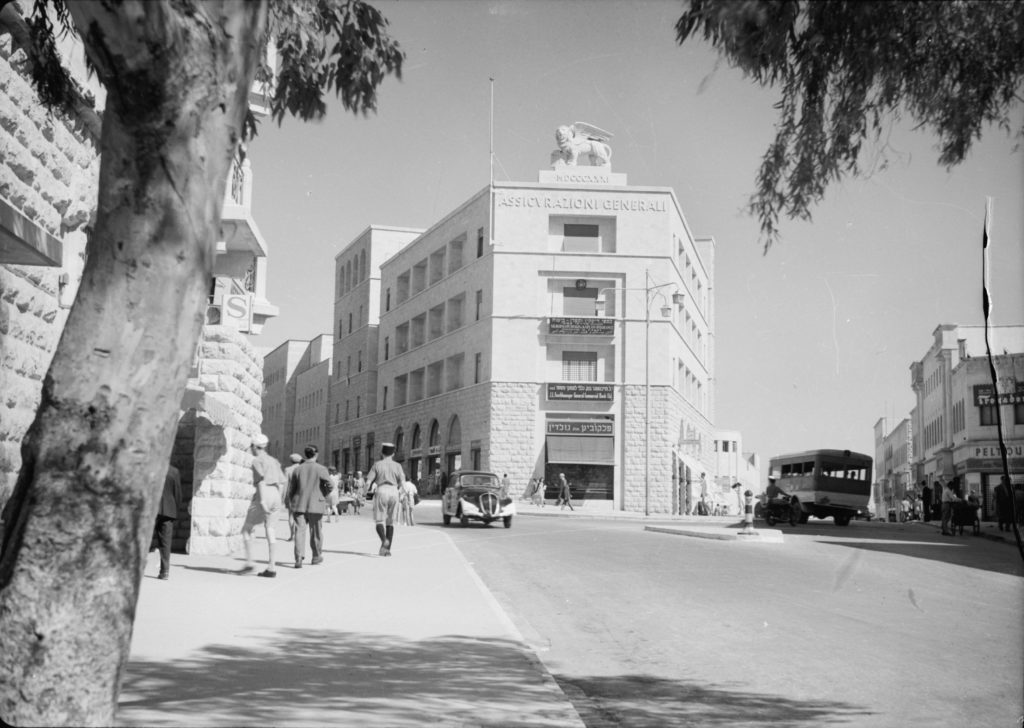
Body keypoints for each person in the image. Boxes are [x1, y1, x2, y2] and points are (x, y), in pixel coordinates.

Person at [240, 433, 287, 577]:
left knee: (247, 529)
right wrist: (280, 499)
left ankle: (250, 563)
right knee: (270, 530)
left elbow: (260, 480)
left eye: (252, 447)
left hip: (264, 494)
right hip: (276, 494)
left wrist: (262, 501)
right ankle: (271, 567)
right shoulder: (274, 460)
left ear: (255, 446)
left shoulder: (257, 461)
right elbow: (283, 482)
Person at [286, 444, 332, 568]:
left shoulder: (298, 469)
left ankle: (299, 558)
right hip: (316, 504)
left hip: (299, 503)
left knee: (299, 531)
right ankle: (316, 556)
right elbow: (330, 485)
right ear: (316, 454)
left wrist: (291, 501)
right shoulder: (321, 468)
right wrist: (323, 494)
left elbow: (291, 489)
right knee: (316, 531)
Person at [364, 442, 406, 556]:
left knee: (379, 520)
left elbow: (368, 482)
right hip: (394, 491)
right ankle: (387, 551)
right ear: (393, 453)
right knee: (390, 522)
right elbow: (403, 483)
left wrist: (364, 493)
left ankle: (384, 540)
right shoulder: (398, 466)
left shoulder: (377, 465)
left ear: (382, 453)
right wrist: (403, 494)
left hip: (382, 490)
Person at [153, 463, 181, 580]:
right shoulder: (174, 471)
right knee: (166, 543)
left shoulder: (151, 467)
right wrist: (175, 509)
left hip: (152, 508)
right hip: (168, 510)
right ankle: (164, 572)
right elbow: (177, 493)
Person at [283, 453, 303, 541]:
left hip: (291, 494)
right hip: (301, 495)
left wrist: (283, 496)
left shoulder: (288, 469)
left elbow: (285, 484)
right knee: (299, 516)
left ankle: (292, 535)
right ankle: (299, 534)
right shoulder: (303, 469)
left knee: (290, 516)